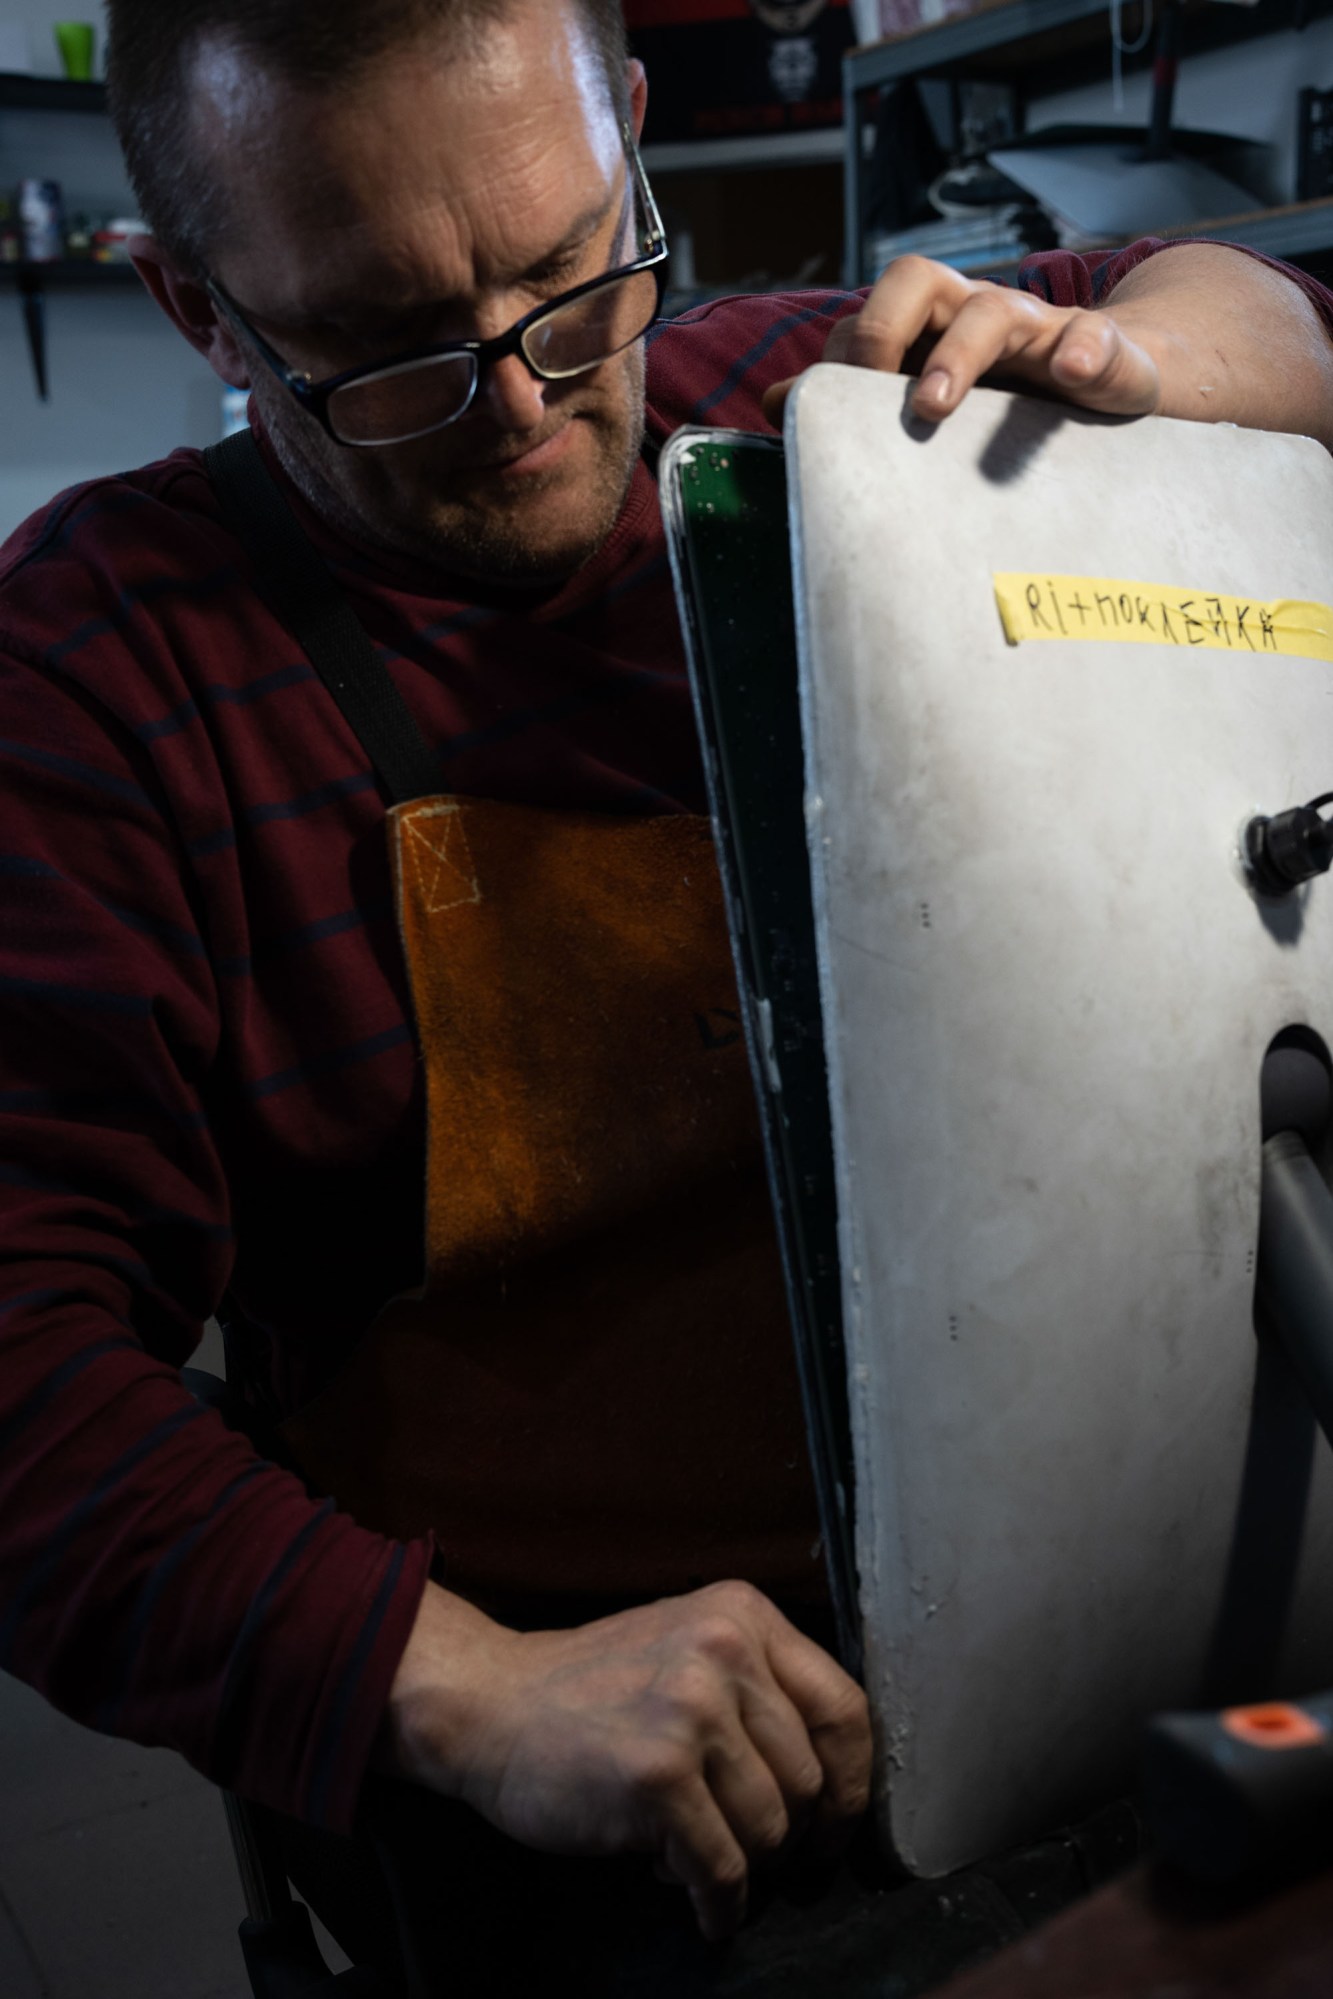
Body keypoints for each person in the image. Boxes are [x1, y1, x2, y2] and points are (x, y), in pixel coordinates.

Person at [0, 0, 1330, 1986]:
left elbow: (1271, 303)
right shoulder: (100, 680)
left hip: (1109, 1598)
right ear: (203, 309)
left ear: (625, 135)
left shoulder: (820, 408)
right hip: (601, 1776)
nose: (521, 402)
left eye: (566, 276)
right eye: (383, 343)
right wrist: (459, 1685)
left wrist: (1160, 366)